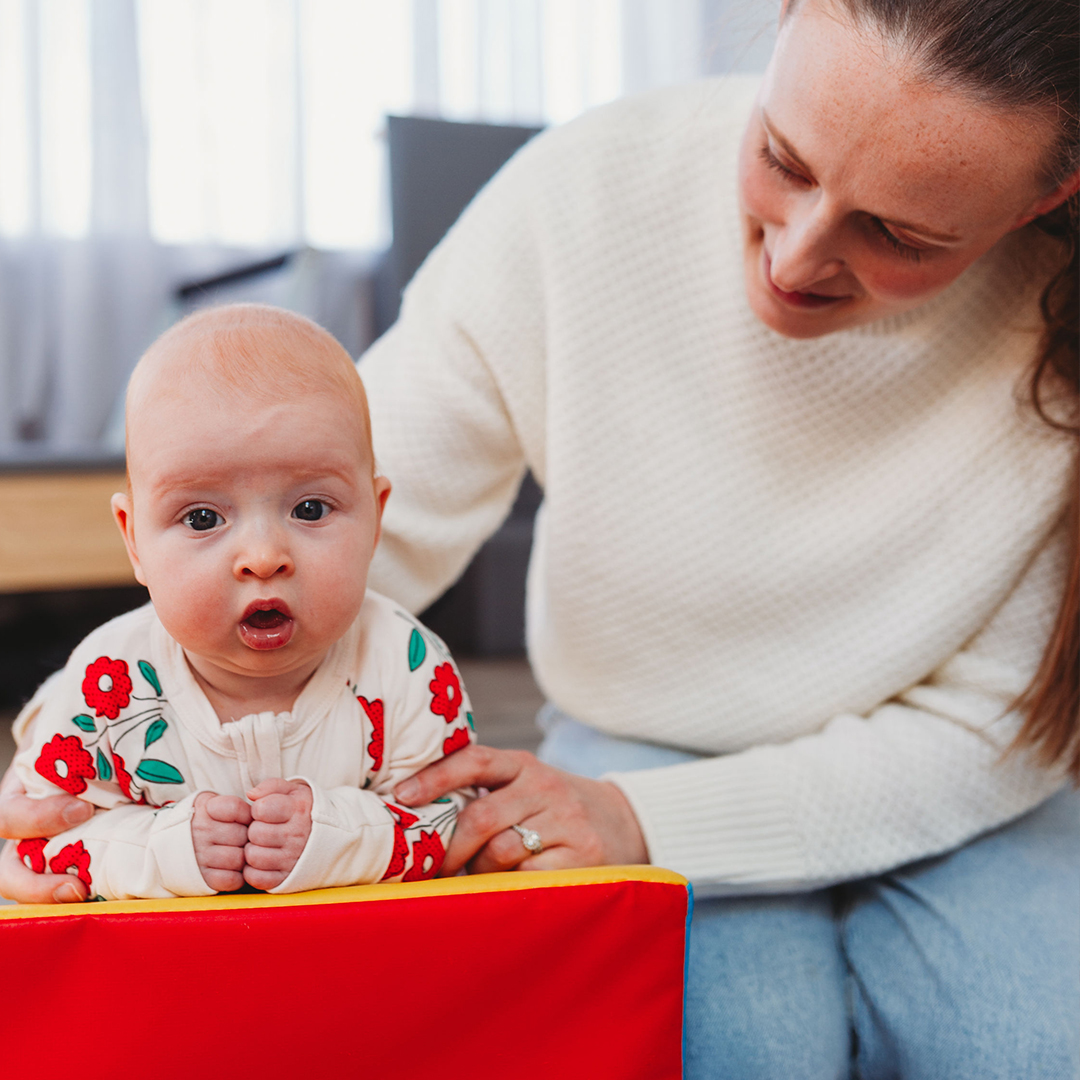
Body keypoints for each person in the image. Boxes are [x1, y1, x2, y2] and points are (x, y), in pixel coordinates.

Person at [2, 0, 1077, 1073]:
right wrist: (80, 746)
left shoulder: (1053, 330)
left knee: (1032, 1053)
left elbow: (999, 727)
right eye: (781, 159)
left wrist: (642, 820)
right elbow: (326, 515)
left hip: (956, 767)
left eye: (901, 235)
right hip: (641, 726)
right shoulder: (588, 190)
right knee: (740, 1056)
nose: (794, 258)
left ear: (1049, 197)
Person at [2, 304, 473, 900]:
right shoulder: (108, 684)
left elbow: (454, 823)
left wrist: (336, 837)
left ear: (375, 522)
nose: (263, 557)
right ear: (135, 541)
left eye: (310, 509)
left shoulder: (407, 665)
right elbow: (41, 842)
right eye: (202, 518)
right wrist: (166, 849)